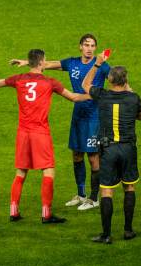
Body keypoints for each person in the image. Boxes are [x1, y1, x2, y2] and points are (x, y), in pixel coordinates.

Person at [0, 49, 91, 223]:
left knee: (21, 172)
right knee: (48, 171)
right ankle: (46, 213)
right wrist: (93, 95)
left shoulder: (18, 79)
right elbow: (73, 97)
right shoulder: (50, 82)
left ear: (30, 62)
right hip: (40, 133)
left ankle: (13, 211)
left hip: (23, 133)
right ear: (42, 62)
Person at [11, 34, 110, 211]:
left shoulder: (101, 65)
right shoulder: (72, 63)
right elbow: (47, 64)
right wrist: (28, 62)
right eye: (86, 45)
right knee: (77, 155)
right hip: (78, 115)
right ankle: (81, 195)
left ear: (95, 48)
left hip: (95, 117)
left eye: (92, 45)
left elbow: (115, 79)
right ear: (80, 46)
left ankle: (94, 198)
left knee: (94, 158)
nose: (89, 48)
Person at [81, 54, 141, 244]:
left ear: (109, 80)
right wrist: (130, 90)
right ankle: (128, 230)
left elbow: (85, 85)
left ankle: (106, 234)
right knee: (129, 187)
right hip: (128, 149)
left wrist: (97, 64)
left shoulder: (102, 95)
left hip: (108, 150)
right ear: (125, 80)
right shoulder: (133, 98)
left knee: (107, 191)